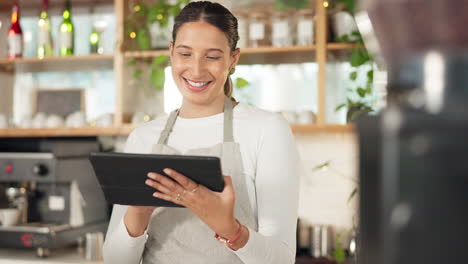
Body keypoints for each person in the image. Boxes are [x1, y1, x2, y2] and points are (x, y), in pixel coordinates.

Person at [103, 1, 300, 263]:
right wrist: (138, 213)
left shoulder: (267, 130)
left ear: (233, 58)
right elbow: (116, 260)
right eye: (185, 54)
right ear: (171, 52)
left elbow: (282, 259)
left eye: (213, 56)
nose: (196, 70)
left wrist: (230, 229)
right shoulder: (144, 138)